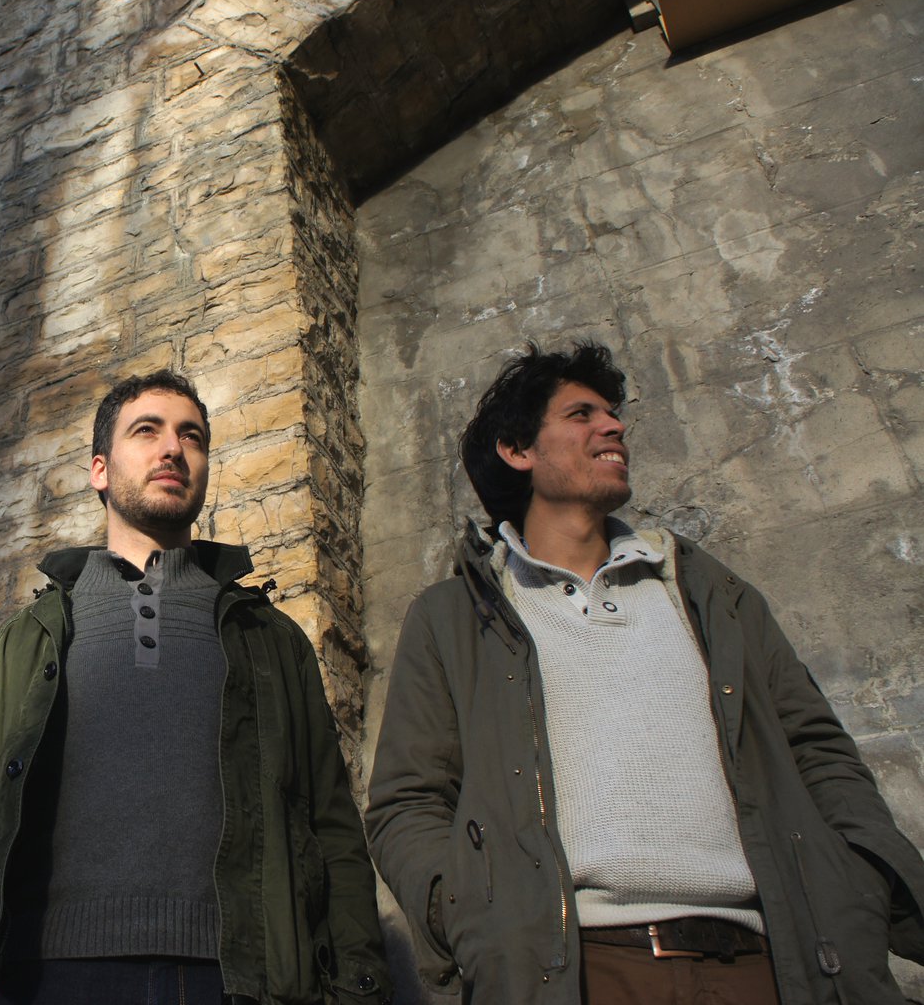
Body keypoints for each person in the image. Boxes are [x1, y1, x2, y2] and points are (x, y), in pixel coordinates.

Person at [366, 341, 924, 1004]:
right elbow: (409, 801)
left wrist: (860, 881)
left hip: (771, 967)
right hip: (572, 975)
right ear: (517, 450)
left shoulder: (712, 596)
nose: (614, 426)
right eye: (581, 415)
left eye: (612, 413)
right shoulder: (455, 617)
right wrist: (472, 921)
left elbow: (818, 751)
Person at [0, 370, 389, 1005]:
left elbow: (331, 821)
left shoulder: (270, 638)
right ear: (100, 470)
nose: (173, 448)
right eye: (147, 431)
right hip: (44, 977)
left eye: (191, 436)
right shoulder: (26, 639)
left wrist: (358, 987)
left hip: (239, 980)